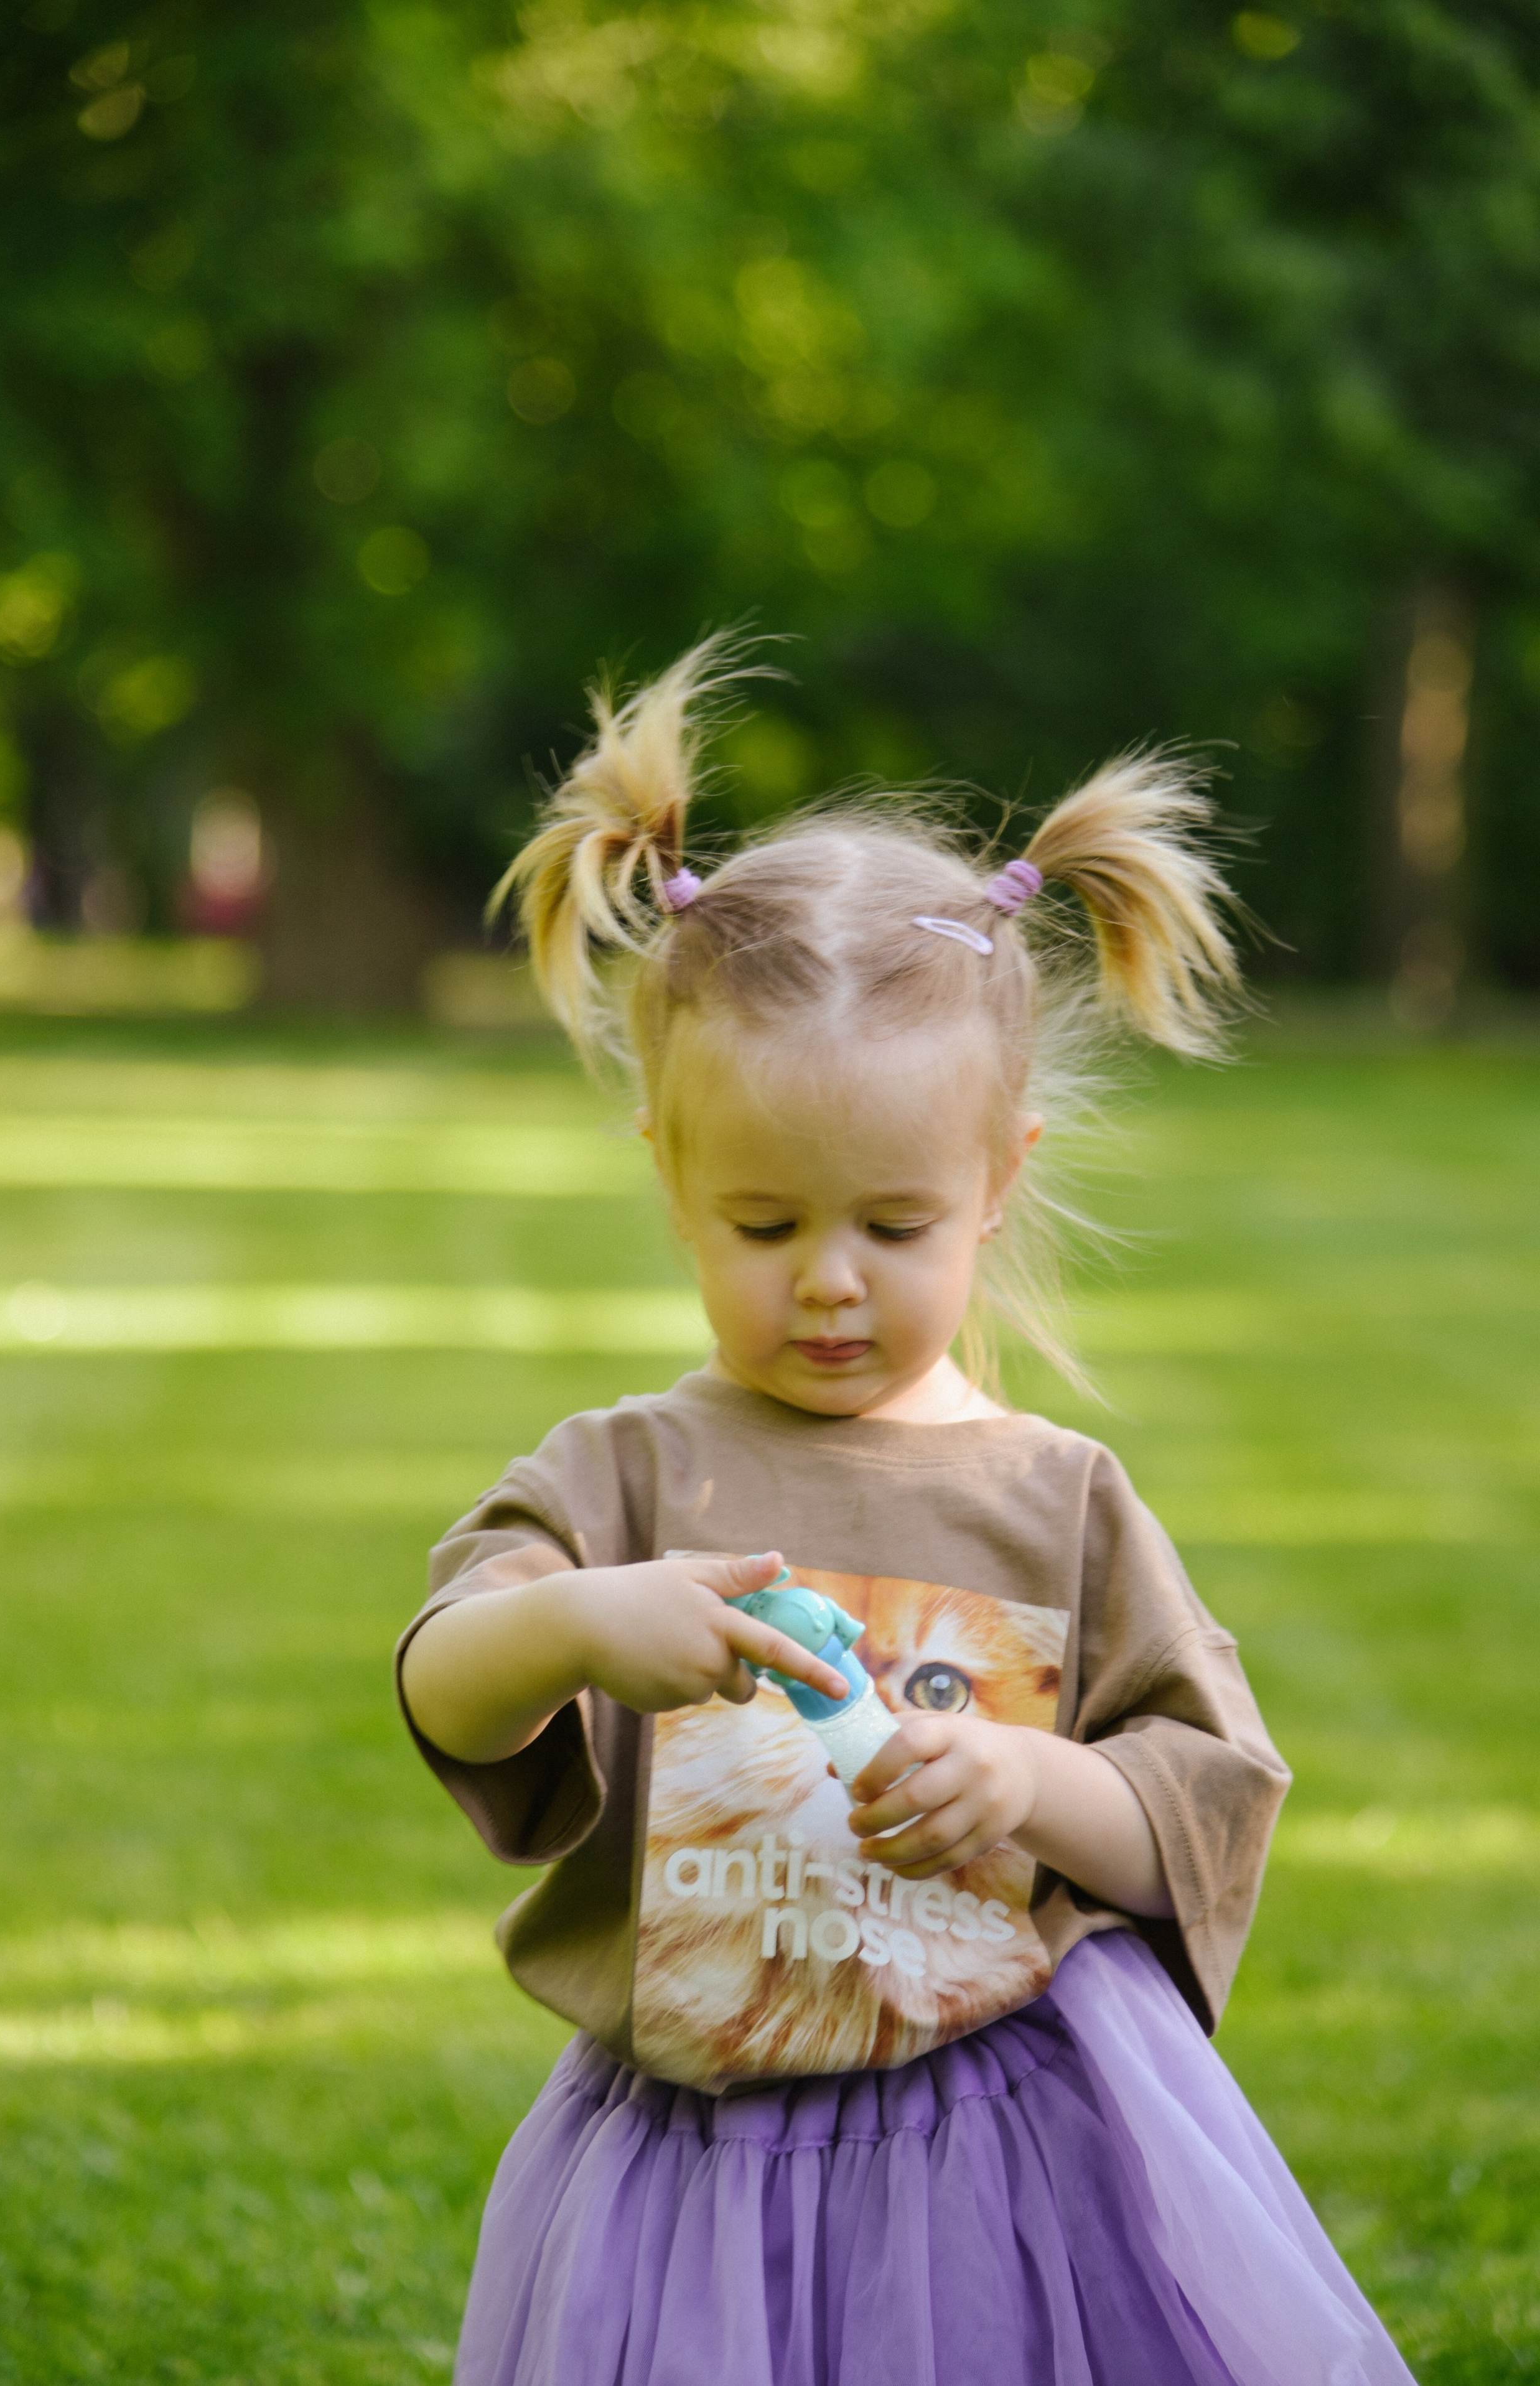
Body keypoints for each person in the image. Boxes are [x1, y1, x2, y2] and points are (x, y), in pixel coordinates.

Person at [396, 636, 1414, 2385]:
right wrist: (573, 1623)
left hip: (1006, 2150)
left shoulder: (1053, 1497)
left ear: (996, 1181)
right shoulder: (625, 1472)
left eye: (894, 1223)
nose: (831, 1282)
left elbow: (1202, 1798)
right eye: (765, 1225)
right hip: (695, 2172)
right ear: (672, 1176)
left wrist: (1026, 1781)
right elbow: (445, 1680)